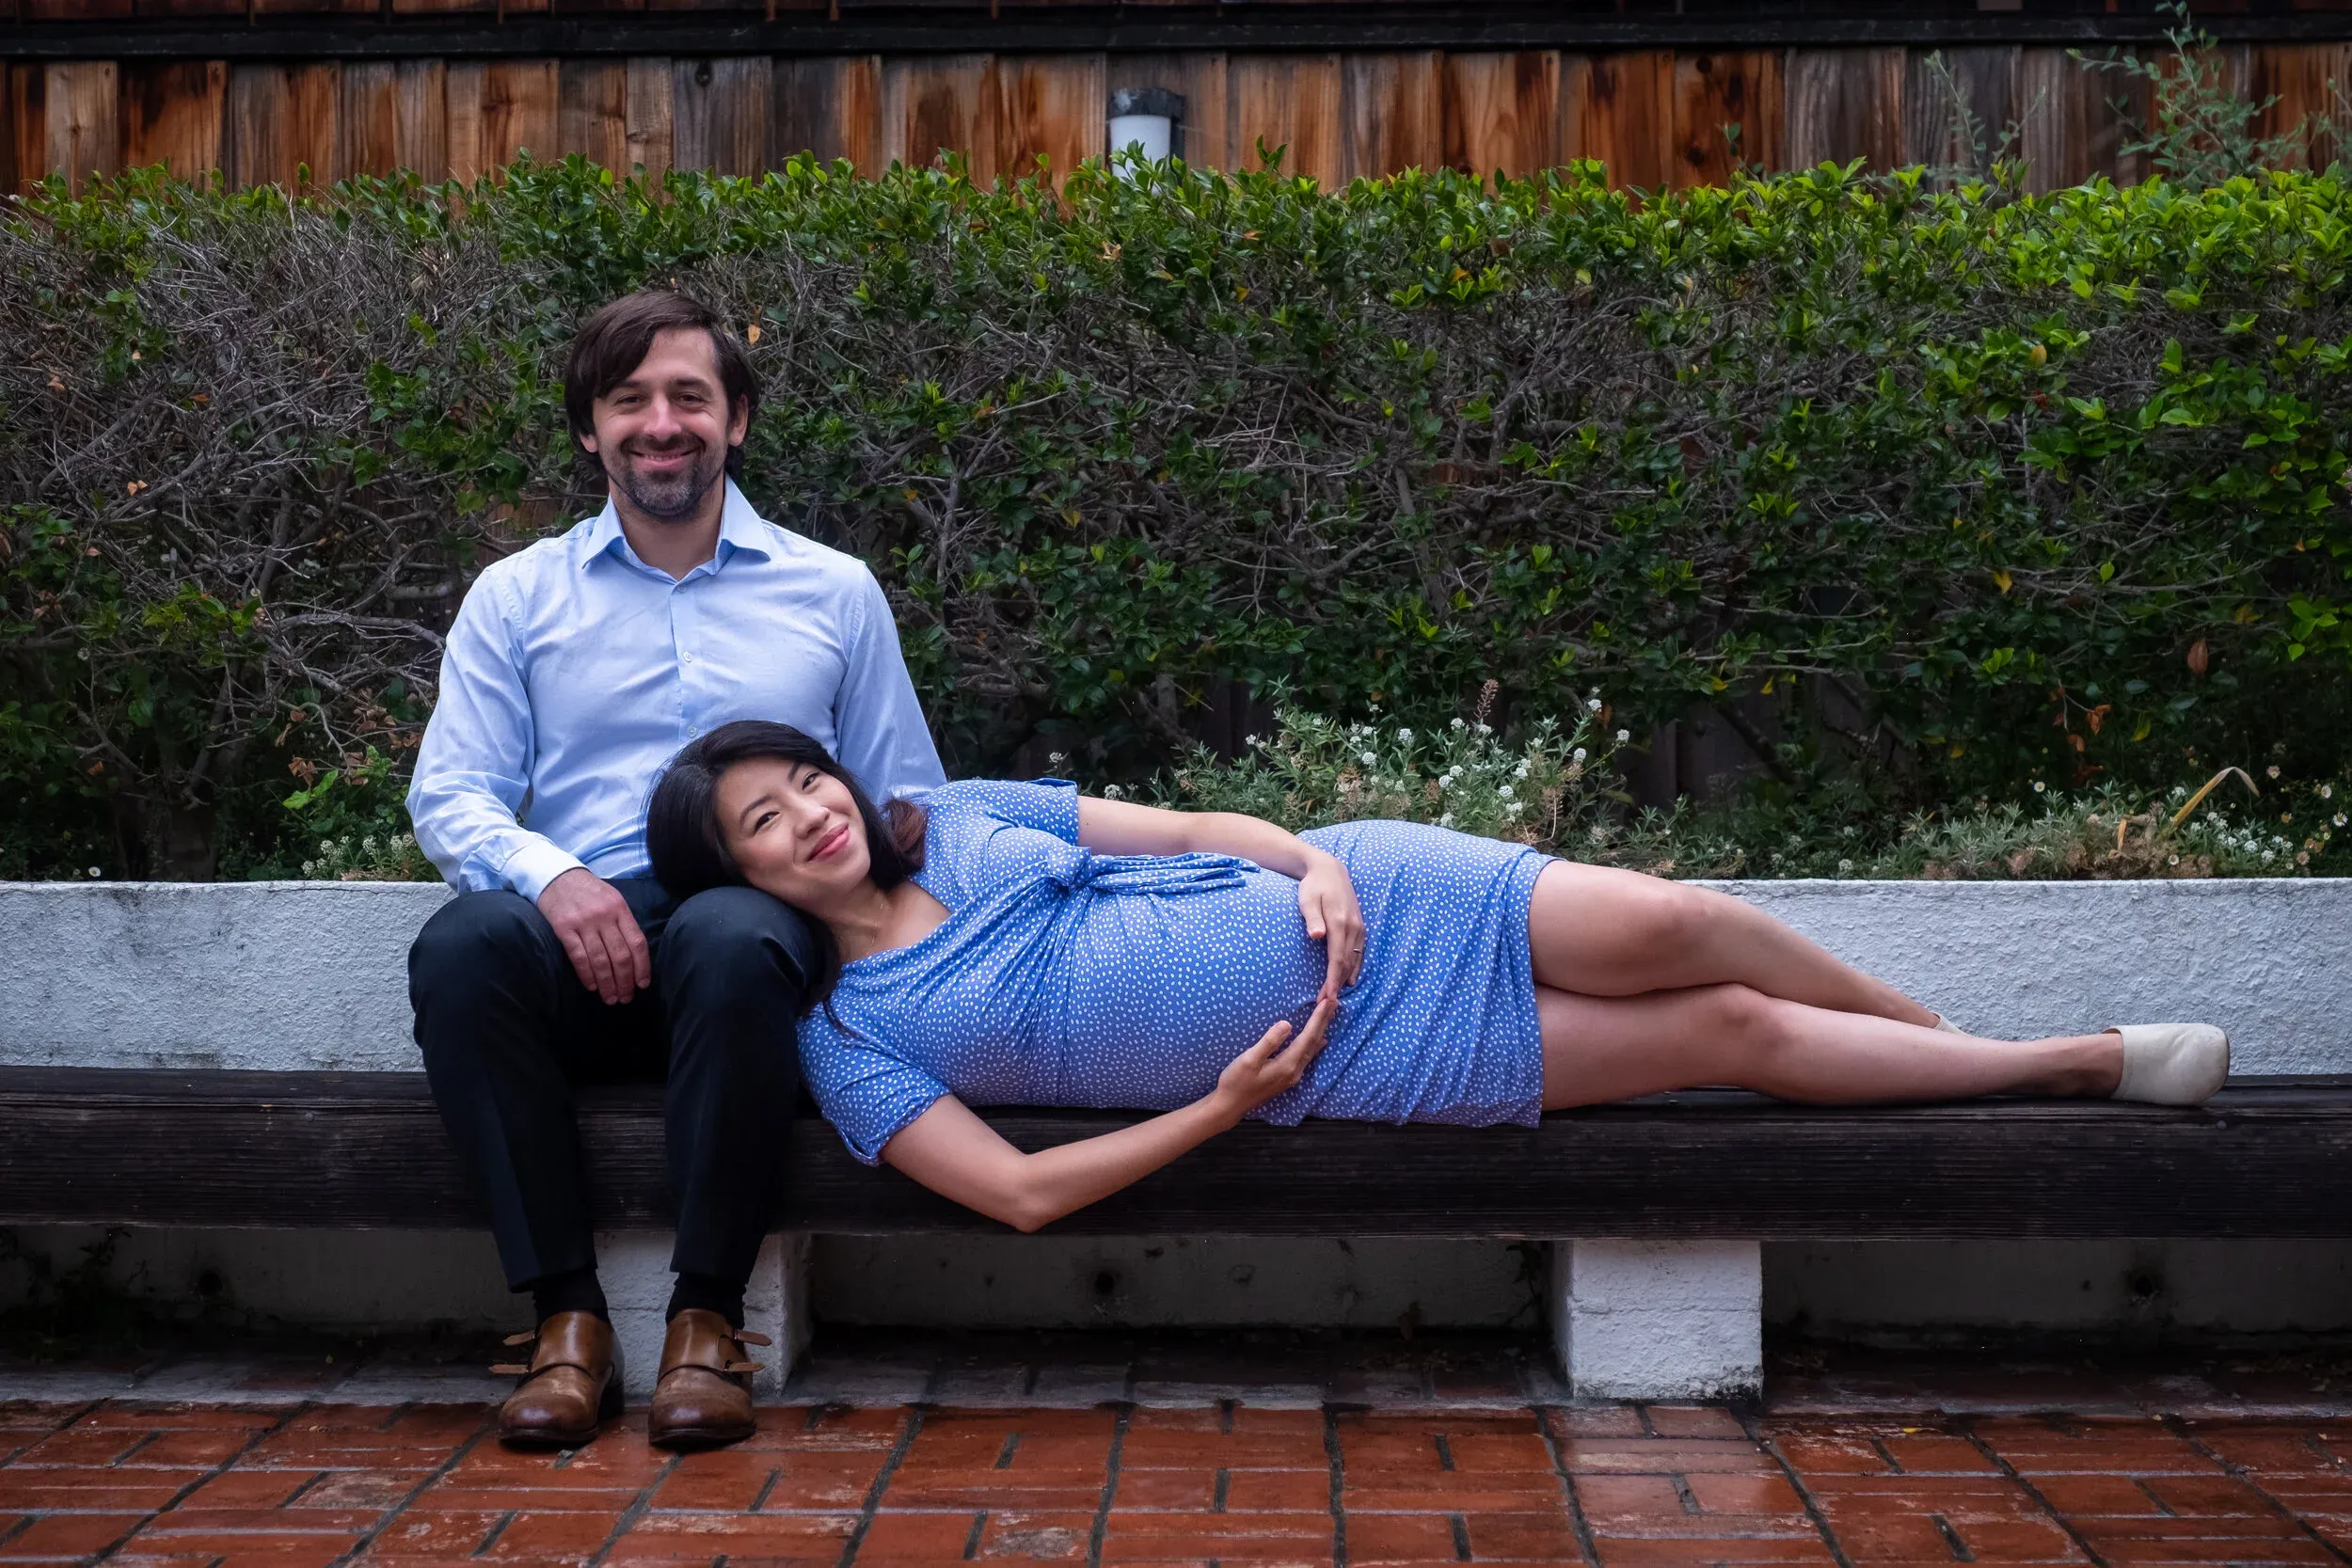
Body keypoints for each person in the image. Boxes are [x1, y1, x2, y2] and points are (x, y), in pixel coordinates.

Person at [645, 720, 2231, 1232]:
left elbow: (1188, 823)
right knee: (1729, 1029)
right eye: (764, 822)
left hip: (1385, 895)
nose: (811, 815)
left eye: (807, 780)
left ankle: (1954, 1037)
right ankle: (2071, 1060)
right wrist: (1229, 1103)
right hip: (1358, 1059)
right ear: (740, 879)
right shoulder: (849, 1033)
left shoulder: (957, 814)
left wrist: (1311, 860)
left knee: (1680, 919)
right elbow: (1018, 1193)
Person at [405, 293, 944, 1451]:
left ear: (735, 419)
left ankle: (706, 1320)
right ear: (589, 430)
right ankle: (566, 1323)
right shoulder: (518, 597)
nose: (662, 423)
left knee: (730, 928)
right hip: (583, 944)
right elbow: (450, 793)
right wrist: (554, 878)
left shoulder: (831, 589)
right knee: (461, 946)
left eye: (690, 396)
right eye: (629, 400)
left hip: (756, 955)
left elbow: (905, 797)